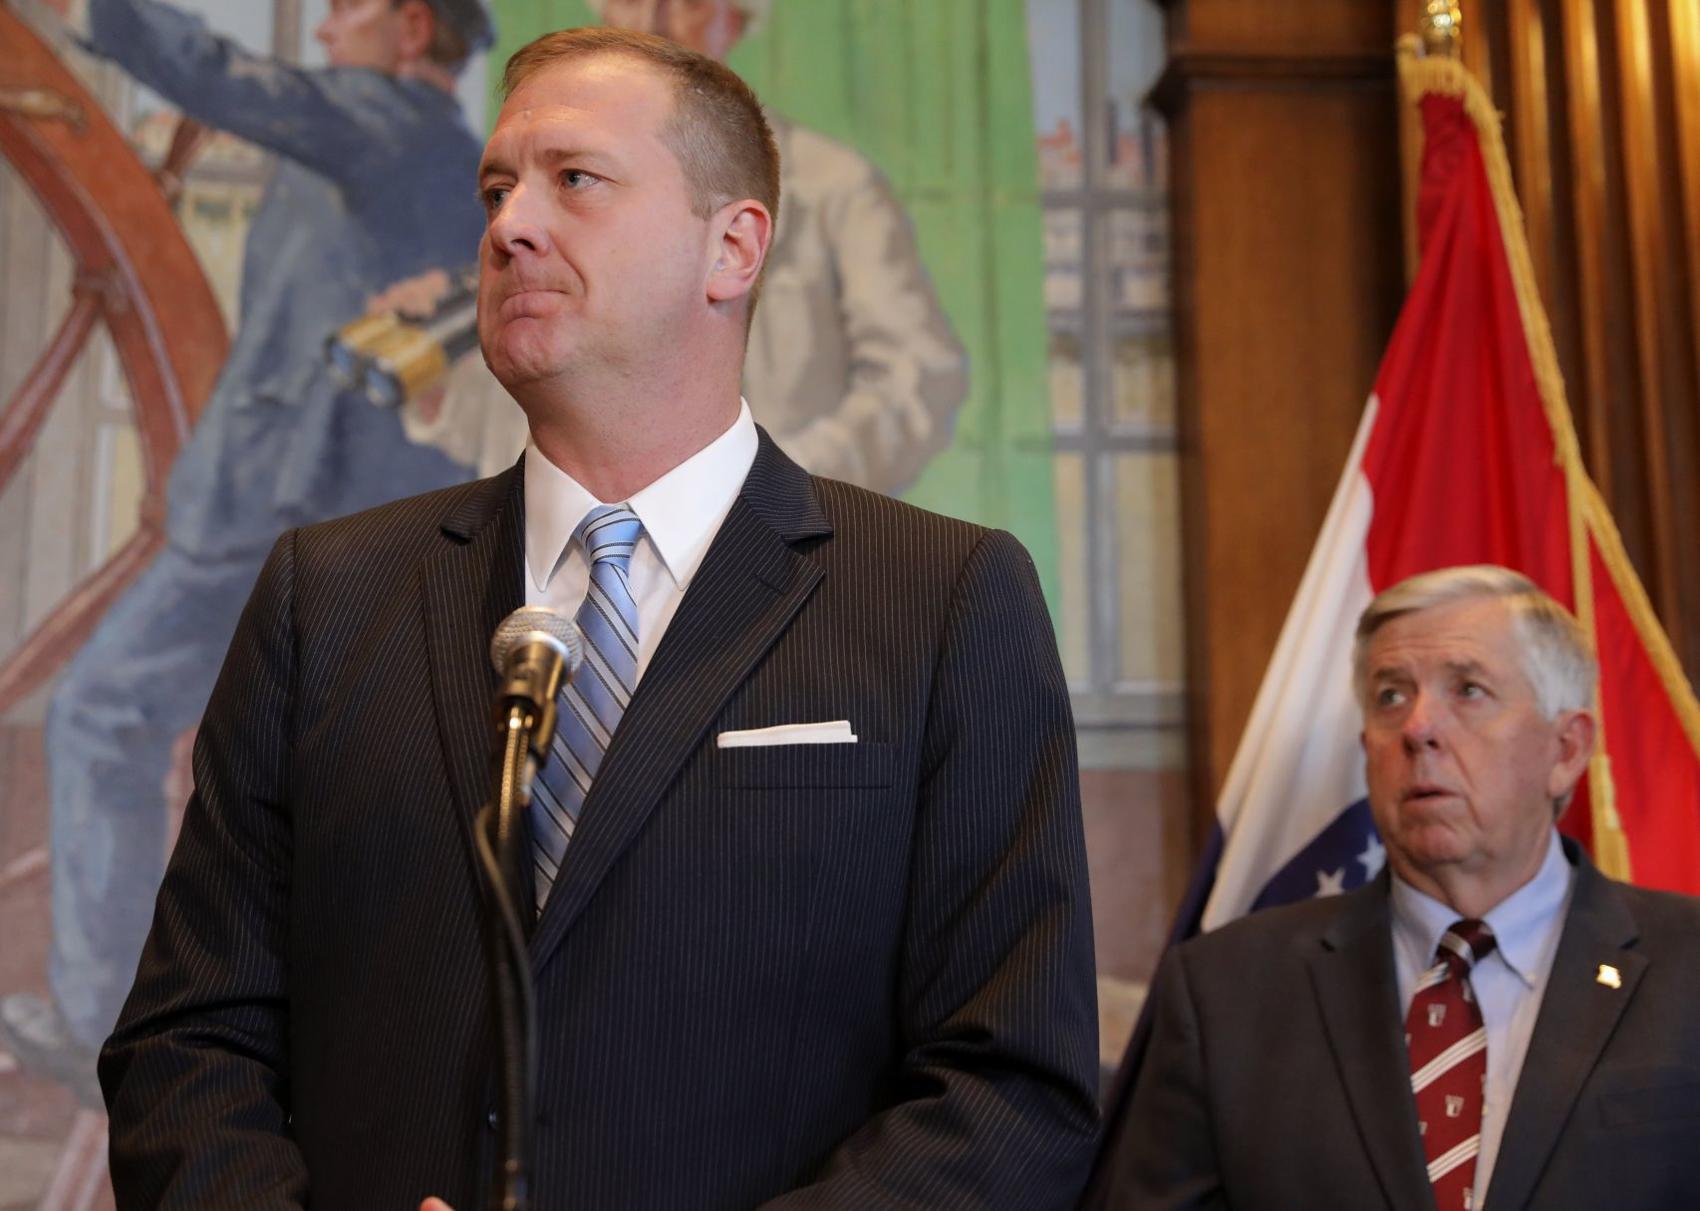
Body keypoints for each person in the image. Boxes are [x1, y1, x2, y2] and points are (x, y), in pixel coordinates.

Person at [98, 28, 1099, 1210]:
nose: (508, 226)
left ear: (732, 248)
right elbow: (187, 1040)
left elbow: (1006, 1089)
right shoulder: (327, 593)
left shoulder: (942, 599)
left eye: (573, 179)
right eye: (495, 190)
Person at [0, 0, 492, 1105]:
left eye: (348, 9)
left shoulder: (378, 121)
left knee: (104, 714)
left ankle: (107, 1021)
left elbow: (231, 79)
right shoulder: (435, 152)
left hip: (279, 510)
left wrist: (101, 12)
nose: (323, 31)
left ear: (413, 28)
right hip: (341, 519)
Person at [1094, 565, 1700, 1210]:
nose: (1417, 727)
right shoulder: (1223, 990)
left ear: (1566, 749)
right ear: (1367, 746)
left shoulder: (1687, 967)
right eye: (1390, 696)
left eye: (1468, 690)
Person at [396, 0, 969, 494]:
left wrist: (760, 496)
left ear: (734, 20)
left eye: (576, 178)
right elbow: (503, 419)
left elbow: (917, 377)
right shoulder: (523, 211)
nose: (654, 18)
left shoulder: (835, 186)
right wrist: (434, 380)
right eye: (497, 194)